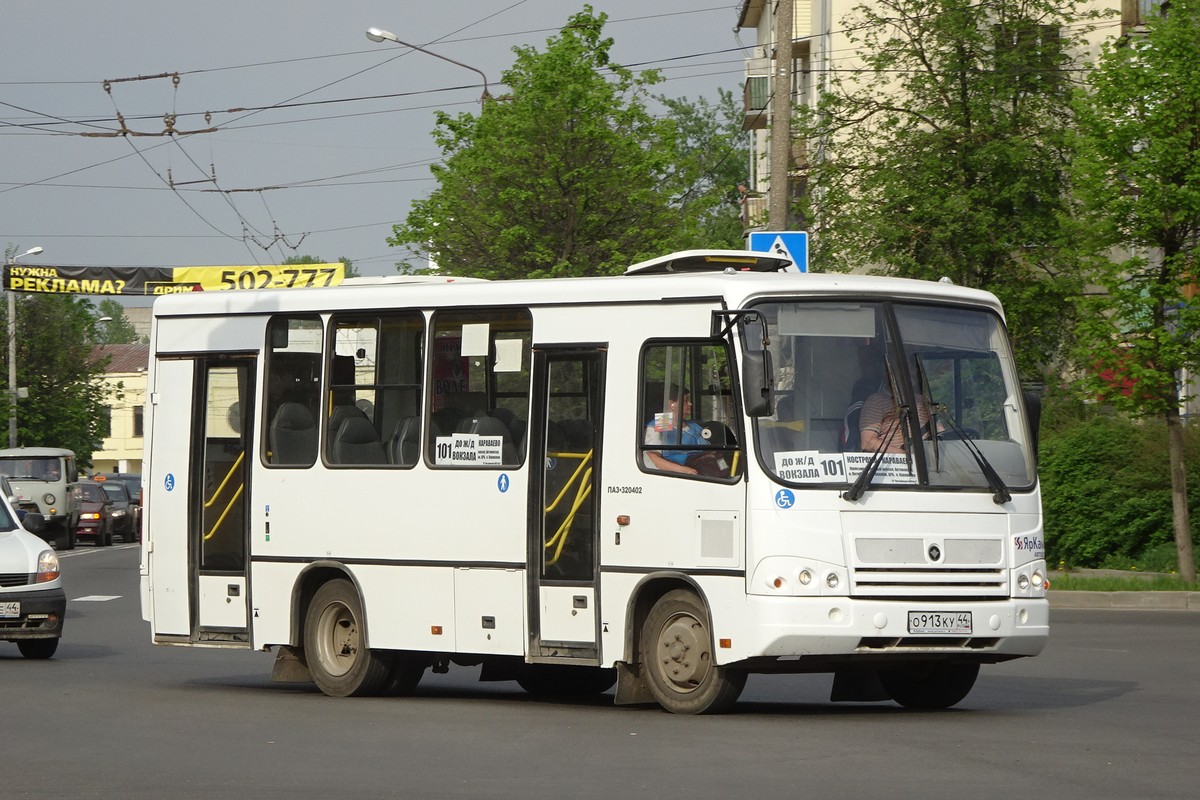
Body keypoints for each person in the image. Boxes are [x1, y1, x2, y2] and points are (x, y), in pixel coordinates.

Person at [644, 386, 706, 475]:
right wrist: (683, 470)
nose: (690, 404)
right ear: (672, 405)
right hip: (681, 473)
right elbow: (652, 457)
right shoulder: (662, 422)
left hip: (704, 465)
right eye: (686, 400)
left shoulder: (694, 425)